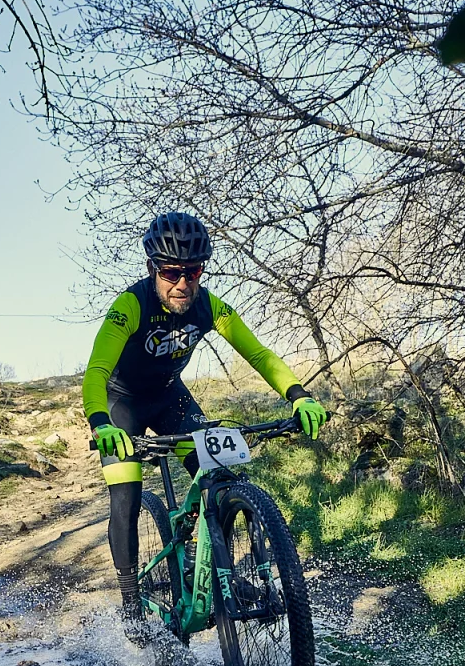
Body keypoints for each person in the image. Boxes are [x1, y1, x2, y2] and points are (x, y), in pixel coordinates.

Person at [83, 212, 327, 633]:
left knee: (218, 479)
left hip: (169, 399)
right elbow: (96, 372)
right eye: (171, 272)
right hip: (121, 405)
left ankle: (223, 575)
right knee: (125, 495)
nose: (183, 283)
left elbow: (259, 354)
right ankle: (129, 605)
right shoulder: (130, 305)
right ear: (152, 269)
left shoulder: (209, 305)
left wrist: (298, 394)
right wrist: (102, 423)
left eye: (192, 271)